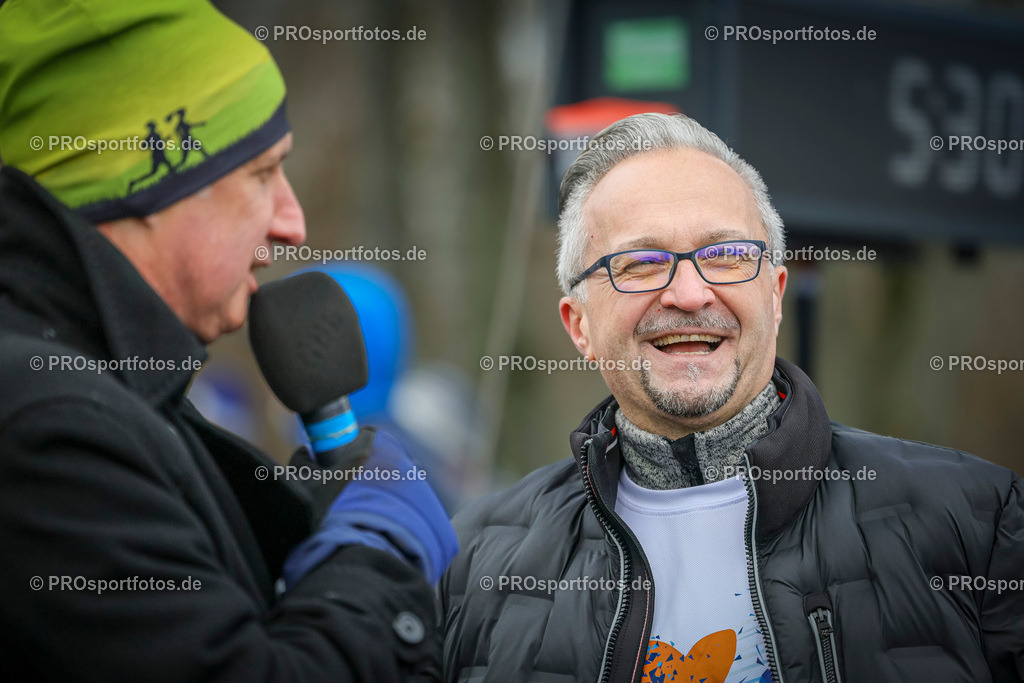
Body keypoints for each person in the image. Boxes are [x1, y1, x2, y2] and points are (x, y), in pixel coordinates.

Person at [438, 113, 1024, 682]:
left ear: (774, 294)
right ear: (579, 325)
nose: (689, 294)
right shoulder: (469, 562)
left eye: (726, 255)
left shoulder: (980, 524)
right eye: (640, 263)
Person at [0, 0, 456, 680]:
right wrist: (376, 561)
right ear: (150, 181)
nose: (292, 223)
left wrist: (309, 525)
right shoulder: (49, 427)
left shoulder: (113, 393)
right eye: (263, 174)